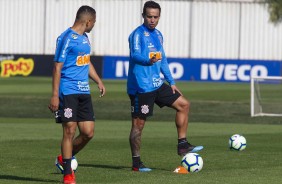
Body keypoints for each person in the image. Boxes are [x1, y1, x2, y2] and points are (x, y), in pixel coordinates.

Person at [127, 1, 203, 172]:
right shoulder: (137, 35)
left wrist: (172, 82)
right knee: (138, 125)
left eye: (155, 17)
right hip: (141, 88)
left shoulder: (159, 35)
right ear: (143, 16)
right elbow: (135, 55)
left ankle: (182, 145)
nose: (152, 20)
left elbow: (164, 60)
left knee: (184, 105)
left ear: (159, 17)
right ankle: (136, 163)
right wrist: (148, 60)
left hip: (157, 84)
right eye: (149, 16)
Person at [48, 5, 105, 184]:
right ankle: (67, 173)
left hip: (84, 91)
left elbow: (86, 63)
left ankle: (64, 158)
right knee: (69, 130)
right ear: (88, 21)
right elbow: (57, 67)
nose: (94, 25)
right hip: (68, 90)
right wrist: (55, 95)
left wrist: (98, 80)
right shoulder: (66, 38)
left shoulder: (85, 39)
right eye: (93, 22)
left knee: (88, 133)